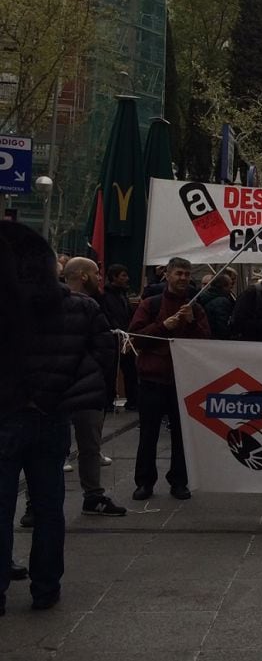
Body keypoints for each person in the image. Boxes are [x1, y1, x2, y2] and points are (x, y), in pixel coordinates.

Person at [0, 222, 114, 613]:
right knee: (50, 507)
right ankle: (45, 587)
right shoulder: (81, 308)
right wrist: (67, 391)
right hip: (51, 417)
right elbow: (103, 357)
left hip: (6, 416)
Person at [129, 257, 210, 501]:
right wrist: (163, 326)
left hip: (183, 381)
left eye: (187, 274)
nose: (183, 278)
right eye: (179, 274)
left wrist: (192, 323)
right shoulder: (150, 304)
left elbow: (206, 342)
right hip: (153, 380)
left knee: (181, 435)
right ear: (168, 275)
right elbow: (136, 338)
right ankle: (144, 482)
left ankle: (179, 481)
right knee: (148, 435)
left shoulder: (195, 308)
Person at [60, 259, 126, 517]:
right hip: (66, 390)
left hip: (83, 390)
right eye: (95, 273)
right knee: (54, 446)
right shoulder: (63, 305)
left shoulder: (97, 304)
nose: (100, 277)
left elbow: (104, 348)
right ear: (82, 276)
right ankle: (37, 502)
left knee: (90, 445)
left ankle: (93, 495)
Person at [100, 264, 137, 411]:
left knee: (130, 370)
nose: (126, 279)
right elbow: (109, 317)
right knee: (111, 371)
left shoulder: (123, 295)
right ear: (114, 277)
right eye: (123, 276)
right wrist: (119, 332)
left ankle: (133, 400)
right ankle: (108, 401)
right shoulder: (105, 296)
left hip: (126, 338)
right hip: (113, 339)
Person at [200, 273, 235, 340]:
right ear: (224, 286)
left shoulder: (205, 296)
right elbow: (222, 326)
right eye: (230, 285)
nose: (231, 288)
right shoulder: (222, 301)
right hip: (217, 339)